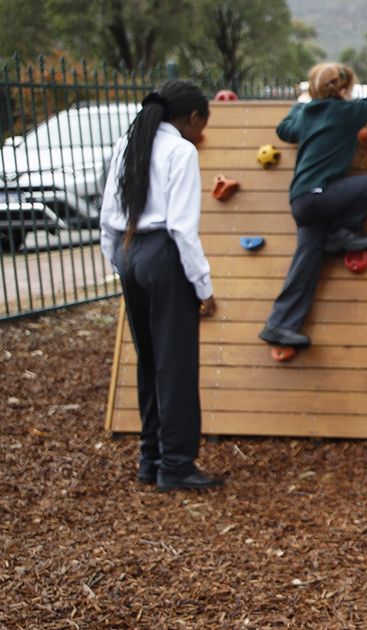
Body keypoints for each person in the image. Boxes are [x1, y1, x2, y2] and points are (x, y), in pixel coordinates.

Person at [99, 80, 224, 490]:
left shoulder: (128, 143)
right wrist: (203, 288)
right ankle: (177, 466)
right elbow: (182, 229)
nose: (200, 134)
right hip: (163, 257)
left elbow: (107, 215)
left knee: (148, 360)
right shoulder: (180, 151)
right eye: (201, 124)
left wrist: (118, 262)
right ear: (191, 117)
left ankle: (149, 459)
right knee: (176, 365)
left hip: (128, 251)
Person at [258, 63, 367, 349]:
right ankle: (343, 231)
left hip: (301, 200)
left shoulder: (306, 114)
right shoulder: (347, 113)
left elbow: (284, 129)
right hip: (320, 197)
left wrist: (300, 104)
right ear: (344, 90)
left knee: (307, 261)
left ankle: (279, 324)